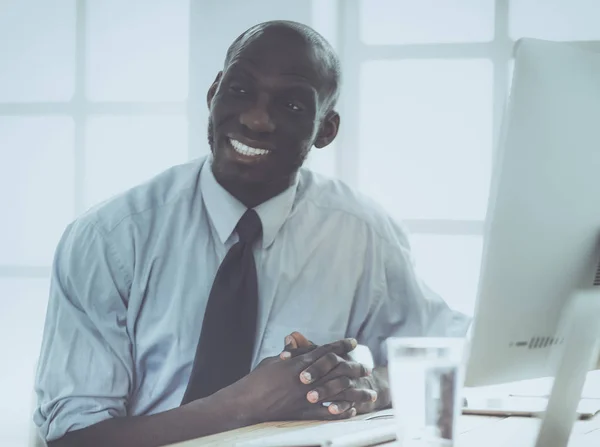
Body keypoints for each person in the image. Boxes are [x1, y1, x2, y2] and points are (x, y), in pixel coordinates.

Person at [34, 20, 470, 447]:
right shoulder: (110, 239)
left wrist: (362, 383)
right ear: (213, 94)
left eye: (292, 105)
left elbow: (449, 358)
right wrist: (246, 404)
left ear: (326, 129)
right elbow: (74, 437)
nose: (257, 119)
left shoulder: (361, 234)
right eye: (240, 90)